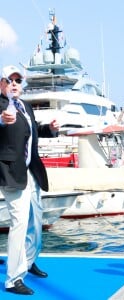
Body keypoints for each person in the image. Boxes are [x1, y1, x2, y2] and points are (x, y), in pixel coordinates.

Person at [0, 65, 59, 295]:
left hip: (31, 172)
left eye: (18, 80)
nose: (14, 84)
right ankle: (13, 279)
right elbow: (3, 120)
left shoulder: (25, 106)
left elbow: (32, 131)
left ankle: (29, 259)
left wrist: (50, 129)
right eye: (10, 80)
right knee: (20, 223)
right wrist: (3, 120)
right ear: (1, 83)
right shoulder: (2, 106)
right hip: (11, 173)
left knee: (36, 220)